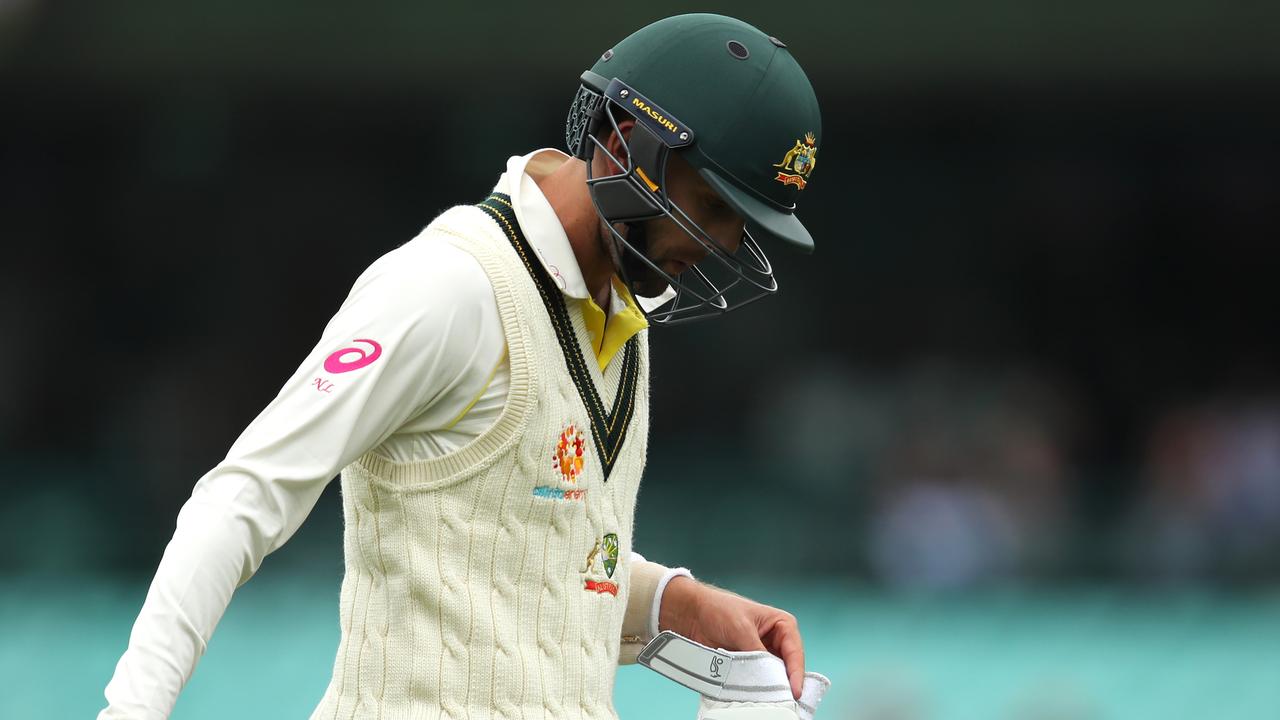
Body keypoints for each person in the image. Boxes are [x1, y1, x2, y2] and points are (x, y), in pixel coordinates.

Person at [100, 13, 823, 719]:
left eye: (739, 225)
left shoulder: (622, 319)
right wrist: (131, 710)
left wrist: (676, 603)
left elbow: (533, 559)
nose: (718, 245)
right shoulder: (450, 287)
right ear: (624, 145)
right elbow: (244, 496)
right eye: (711, 204)